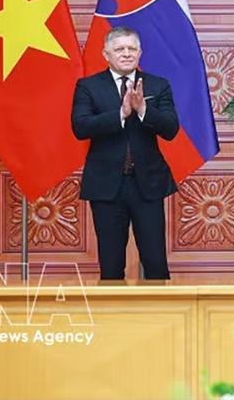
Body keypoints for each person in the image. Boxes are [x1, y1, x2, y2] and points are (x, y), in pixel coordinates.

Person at [71, 26, 179, 280]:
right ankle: (111, 307)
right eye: (120, 49)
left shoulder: (157, 85)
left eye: (132, 49)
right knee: (110, 266)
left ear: (140, 53)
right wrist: (120, 114)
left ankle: (161, 307)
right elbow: (80, 127)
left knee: (156, 263)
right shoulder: (88, 86)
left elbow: (171, 129)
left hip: (148, 185)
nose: (127, 54)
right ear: (106, 54)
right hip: (106, 186)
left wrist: (143, 110)